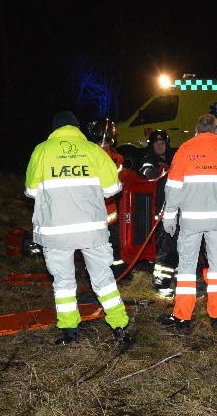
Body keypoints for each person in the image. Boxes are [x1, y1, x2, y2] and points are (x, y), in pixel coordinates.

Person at [24, 110, 134, 349]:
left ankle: (70, 332)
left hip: (56, 232)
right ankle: (120, 327)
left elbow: (31, 191)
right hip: (91, 230)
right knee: (104, 280)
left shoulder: (41, 150)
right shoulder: (94, 151)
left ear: (54, 129)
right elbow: (113, 189)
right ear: (77, 129)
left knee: (63, 282)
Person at [158, 114, 217, 329]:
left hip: (191, 222)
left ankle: (182, 316)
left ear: (196, 130)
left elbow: (172, 189)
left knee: (186, 269)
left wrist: (169, 219)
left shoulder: (184, 151)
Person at [86, 117, 129, 280]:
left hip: (95, 210)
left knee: (98, 246)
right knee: (109, 245)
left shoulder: (86, 153)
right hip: (107, 210)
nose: (102, 144)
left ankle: (109, 273)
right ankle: (115, 273)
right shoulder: (116, 158)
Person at [138, 130, 179, 297]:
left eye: (162, 143)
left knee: (176, 246)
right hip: (159, 211)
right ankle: (161, 283)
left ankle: (171, 276)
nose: (160, 146)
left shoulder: (175, 157)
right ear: (152, 145)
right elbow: (146, 171)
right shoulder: (149, 159)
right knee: (166, 246)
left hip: (176, 209)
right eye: (156, 143)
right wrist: (159, 171)